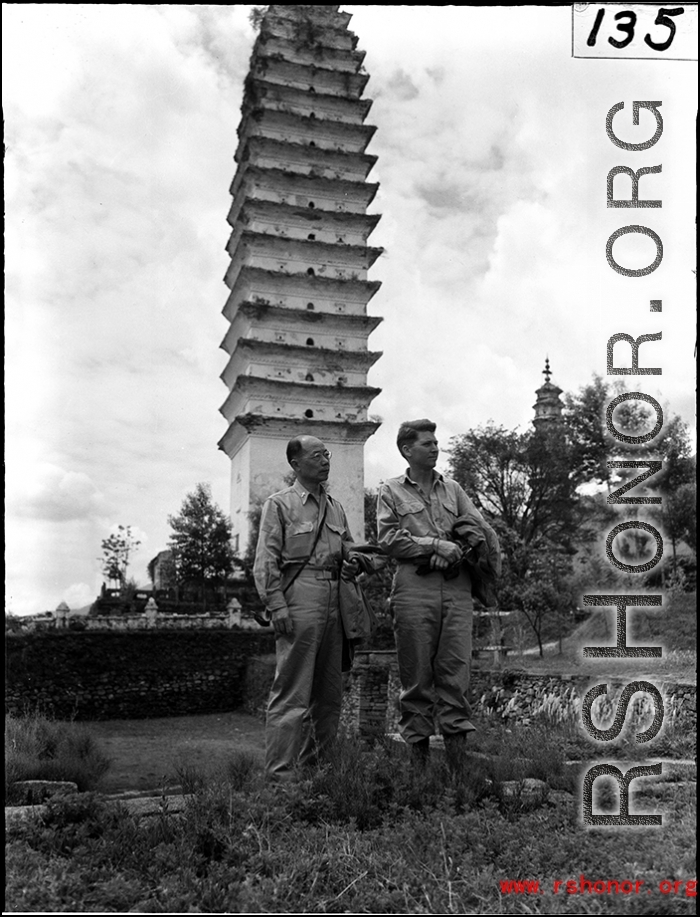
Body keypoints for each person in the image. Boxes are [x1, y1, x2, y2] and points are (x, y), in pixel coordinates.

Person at [376, 418, 500, 777]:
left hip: (457, 588)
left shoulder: (454, 489)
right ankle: (419, 772)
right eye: (426, 443)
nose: (434, 447)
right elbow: (387, 540)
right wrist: (434, 545)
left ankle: (458, 771)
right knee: (415, 677)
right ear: (406, 450)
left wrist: (456, 551)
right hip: (415, 589)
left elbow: (478, 530)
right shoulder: (391, 490)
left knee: (456, 674)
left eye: (435, 442)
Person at [254, 434, 366, 783]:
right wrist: (277, 606)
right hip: (299, 599)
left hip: (336, 597)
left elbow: (348, 546)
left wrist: (355, 561)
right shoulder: (280, 504)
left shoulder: (335, 506)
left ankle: (317, 775)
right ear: (296, 464)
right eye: (317, 455)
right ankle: (280, 781)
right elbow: (265, 562)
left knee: (329, 697)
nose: (325, 460)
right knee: (291, 695)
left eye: (327, 454)